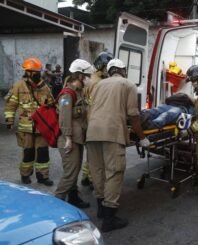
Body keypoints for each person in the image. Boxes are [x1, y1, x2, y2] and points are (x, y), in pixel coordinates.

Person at [86, 58, 150, 232]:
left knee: (97, 171)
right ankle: (109, 219)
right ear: (123, 70)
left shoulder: (98, 84)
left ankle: (101, 209)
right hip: (112, 133)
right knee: (114, 172)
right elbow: (134, 116)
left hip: (92, 133)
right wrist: (142, 138)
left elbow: (90, 109)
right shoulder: (128, 84)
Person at [3, 57, 54, 186]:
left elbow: (52, 104)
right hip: (26, 128)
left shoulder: (44, 87)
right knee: (28, 153)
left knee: (43, 153)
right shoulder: (19, 86)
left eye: (39, 71)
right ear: (28, 72)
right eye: (35, 71)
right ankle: (25, 175)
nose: (38, 74)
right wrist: (9, 119)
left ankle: (43, 176)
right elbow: (11, 104)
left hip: (41, 128)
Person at [54, 59, 93, 208]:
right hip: (68, 139)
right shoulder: (67, 94)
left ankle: (73, 198)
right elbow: (64, 118)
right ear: (79, 75)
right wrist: (68, 138)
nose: (89, 78)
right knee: (70, 174)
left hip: (77, 138)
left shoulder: (79, 92)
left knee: (74, 171)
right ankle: (56, 203)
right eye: (87, 75)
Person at [81, 51, 113, 188]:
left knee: (91, 153)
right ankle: (94, 179)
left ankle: (86, 177)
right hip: (95, 121)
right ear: (101, 66)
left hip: (89, 121)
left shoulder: (93, 79)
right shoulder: (98, 83)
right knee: (97, 156)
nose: (109, 71)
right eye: (107, 67)